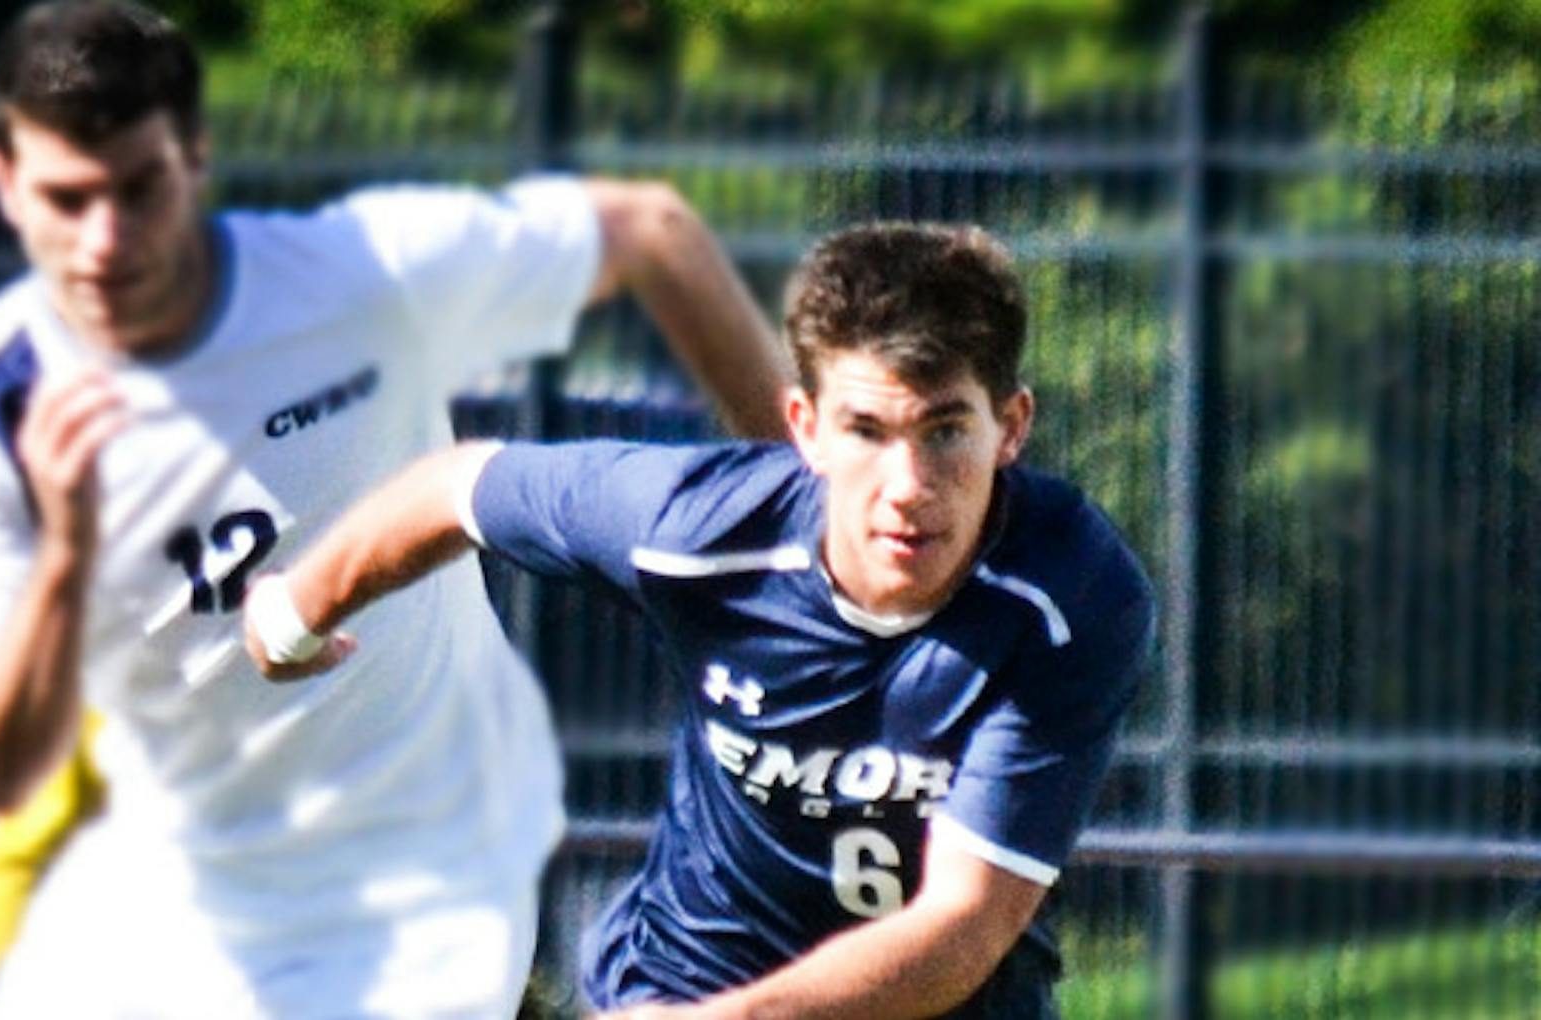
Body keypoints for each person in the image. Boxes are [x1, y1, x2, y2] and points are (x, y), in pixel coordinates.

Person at [0, 1, 790, 1016]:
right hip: (171, 888)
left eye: (138, 189)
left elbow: (650, 233)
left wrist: (811, 519)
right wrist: (64, 555)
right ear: (6, 186)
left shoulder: (354, 280)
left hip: (420, 873)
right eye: (67, 197)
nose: (104, 240)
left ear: (194, 157)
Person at [245, 222, 1155, 1018]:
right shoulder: (692, 530)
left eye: (947, 430)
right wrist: (293, 612)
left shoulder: (1069, 599)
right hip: (683, 985)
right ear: (803, 427)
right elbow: (458, 486)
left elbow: (962, 925)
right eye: (868, 431)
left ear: (1013, 425)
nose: (908, 487)